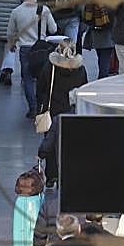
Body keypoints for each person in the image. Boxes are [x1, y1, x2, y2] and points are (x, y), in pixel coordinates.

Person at [34, 40, 88, 180]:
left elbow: (41, 87)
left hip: (52, 109)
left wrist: (40, 104)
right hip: (72, 111)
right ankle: (66, 173)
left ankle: (51, 175)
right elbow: (84, 89)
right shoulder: (80, 69)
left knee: (50, 141)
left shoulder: (50, 68)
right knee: (69, 144)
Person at [5, 0, 58, 119]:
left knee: (27, 78)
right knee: (43, 78)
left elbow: (10, 33)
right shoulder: (44, 10)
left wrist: (12, 44)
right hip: (41, 48)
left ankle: (33, 107)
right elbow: (53, 29)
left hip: (25, 49)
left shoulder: (16, 12)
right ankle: (42, 106)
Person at [82, 0, 117, 77]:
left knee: (101, 57)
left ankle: (101, 76)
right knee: (105, 59)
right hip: (109, 33)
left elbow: (86, 14)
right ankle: (102, 79)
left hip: (95, 32)